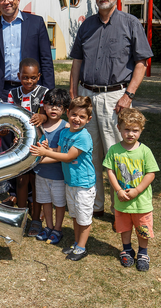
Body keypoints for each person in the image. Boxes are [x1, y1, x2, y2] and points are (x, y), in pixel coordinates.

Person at [69, 0, 153, 219]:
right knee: (89, 153)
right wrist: (74, 95)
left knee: (118, 154)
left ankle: (123, 208)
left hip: (115, 97)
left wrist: (129, 95)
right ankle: (96, 206)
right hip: (86, 96)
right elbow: (77, 62)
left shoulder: (130, 23)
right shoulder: (86, 26)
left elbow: (141, 63)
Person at [30, 96, 95, 261]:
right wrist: (42, 151)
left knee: (84, 217)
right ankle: (76, 243)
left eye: (82, 117)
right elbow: (57, 152)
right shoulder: (65, 132)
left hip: (83, 184)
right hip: (70, 182)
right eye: (74, 115)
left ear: (89, 119)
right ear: (68, 113)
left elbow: (67, 157)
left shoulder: (83, 137)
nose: (77, 119)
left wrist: (44, 153)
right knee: (75, 215)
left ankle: (81, 247)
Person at [103, 108, 159, 272]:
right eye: (126, 129)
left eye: (135, 130)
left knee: (142, 228)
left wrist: (137, 190)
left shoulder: (145, 151)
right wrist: (119, 190)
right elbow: (110, 171)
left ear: (141, 130)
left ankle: (143, 253)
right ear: (119, 128)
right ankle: (126, 249)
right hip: (122, 202)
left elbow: (151, 173)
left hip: (141, 202)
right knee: (124, 227)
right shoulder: (114, 150)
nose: (130, 134)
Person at [0, 0, 54, 99]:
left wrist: (49, 93)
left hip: (32, 90)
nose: (6, 1)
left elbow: (46, 60)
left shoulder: (36, 23)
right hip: (0, 91)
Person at [7, 57, 49, 236]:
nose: (29, 81)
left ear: (38, 77)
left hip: (39, 144)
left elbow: (49, 115)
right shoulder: (13, 94)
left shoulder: (44, 93)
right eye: (25, 77)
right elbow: (10, 117)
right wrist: (13, 134)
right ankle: (21, 217)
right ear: (19, 76)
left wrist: (43, 117)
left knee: (36, 181)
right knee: (22, 180)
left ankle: (37, 220)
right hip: (19, 143)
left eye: (33, 78)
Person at [33, 88, 70, 246]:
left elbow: (62, 155)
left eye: (59, 106)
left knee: (59, 204)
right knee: (45, 201)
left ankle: (57, 228)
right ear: (44, 106)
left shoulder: (66, 127)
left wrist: (39, 159)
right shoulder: (40, 125)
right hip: (41, 174)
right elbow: (34, 145)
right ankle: (48, 226)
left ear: (65, 109)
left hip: (58, 176)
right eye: (50, 105)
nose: (54, 109)